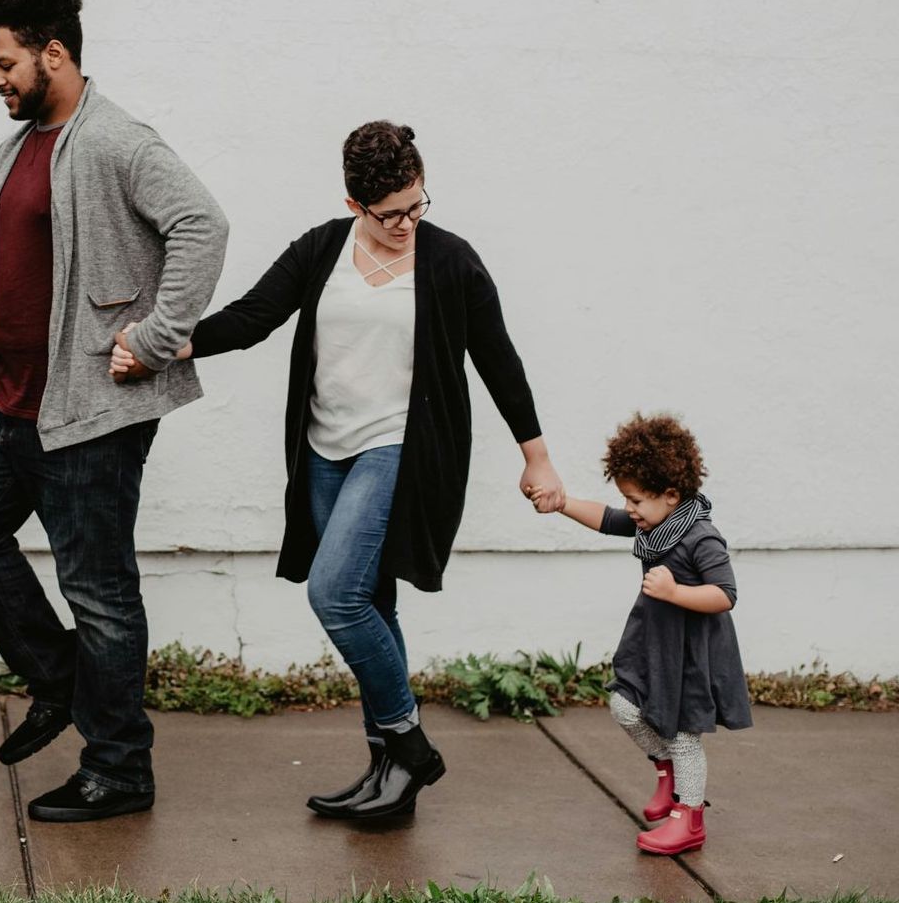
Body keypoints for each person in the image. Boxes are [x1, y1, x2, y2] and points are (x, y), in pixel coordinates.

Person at [111, 121, 565, 819]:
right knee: (372, 603)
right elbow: (254, 317)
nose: (407, 223)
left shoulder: (449, 262)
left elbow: (498, 359)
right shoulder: (324, 248)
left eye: (418, 206)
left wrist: (536, 457)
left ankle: (409, 745)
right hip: (324, 451)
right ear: (355, 205)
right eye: (390, 214)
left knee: (336, 596)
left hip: (398, 449)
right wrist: (163, 346)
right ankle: (390, 777)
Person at [0, 0, 228, 823]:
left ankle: (120, 768)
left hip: (87, 411)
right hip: (2, 399)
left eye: (6, 61)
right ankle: (59, 682)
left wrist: (157, 337)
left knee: (99, 590)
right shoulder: (17, 145)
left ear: (54, 53)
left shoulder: (118, 142)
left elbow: (204, 225)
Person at [531, 412, 750, 855]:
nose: (630, 509)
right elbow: (607, 518)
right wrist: (562, 502)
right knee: (624, 706)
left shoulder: (700, 536)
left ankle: (689, 818)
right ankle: (665, 772)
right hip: (653, 643)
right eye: (627, 498)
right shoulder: (654, 524)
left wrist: (674, 591)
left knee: (682, 733)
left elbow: (725, 594)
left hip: (689, 652)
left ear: (671, 495)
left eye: (636, 500)